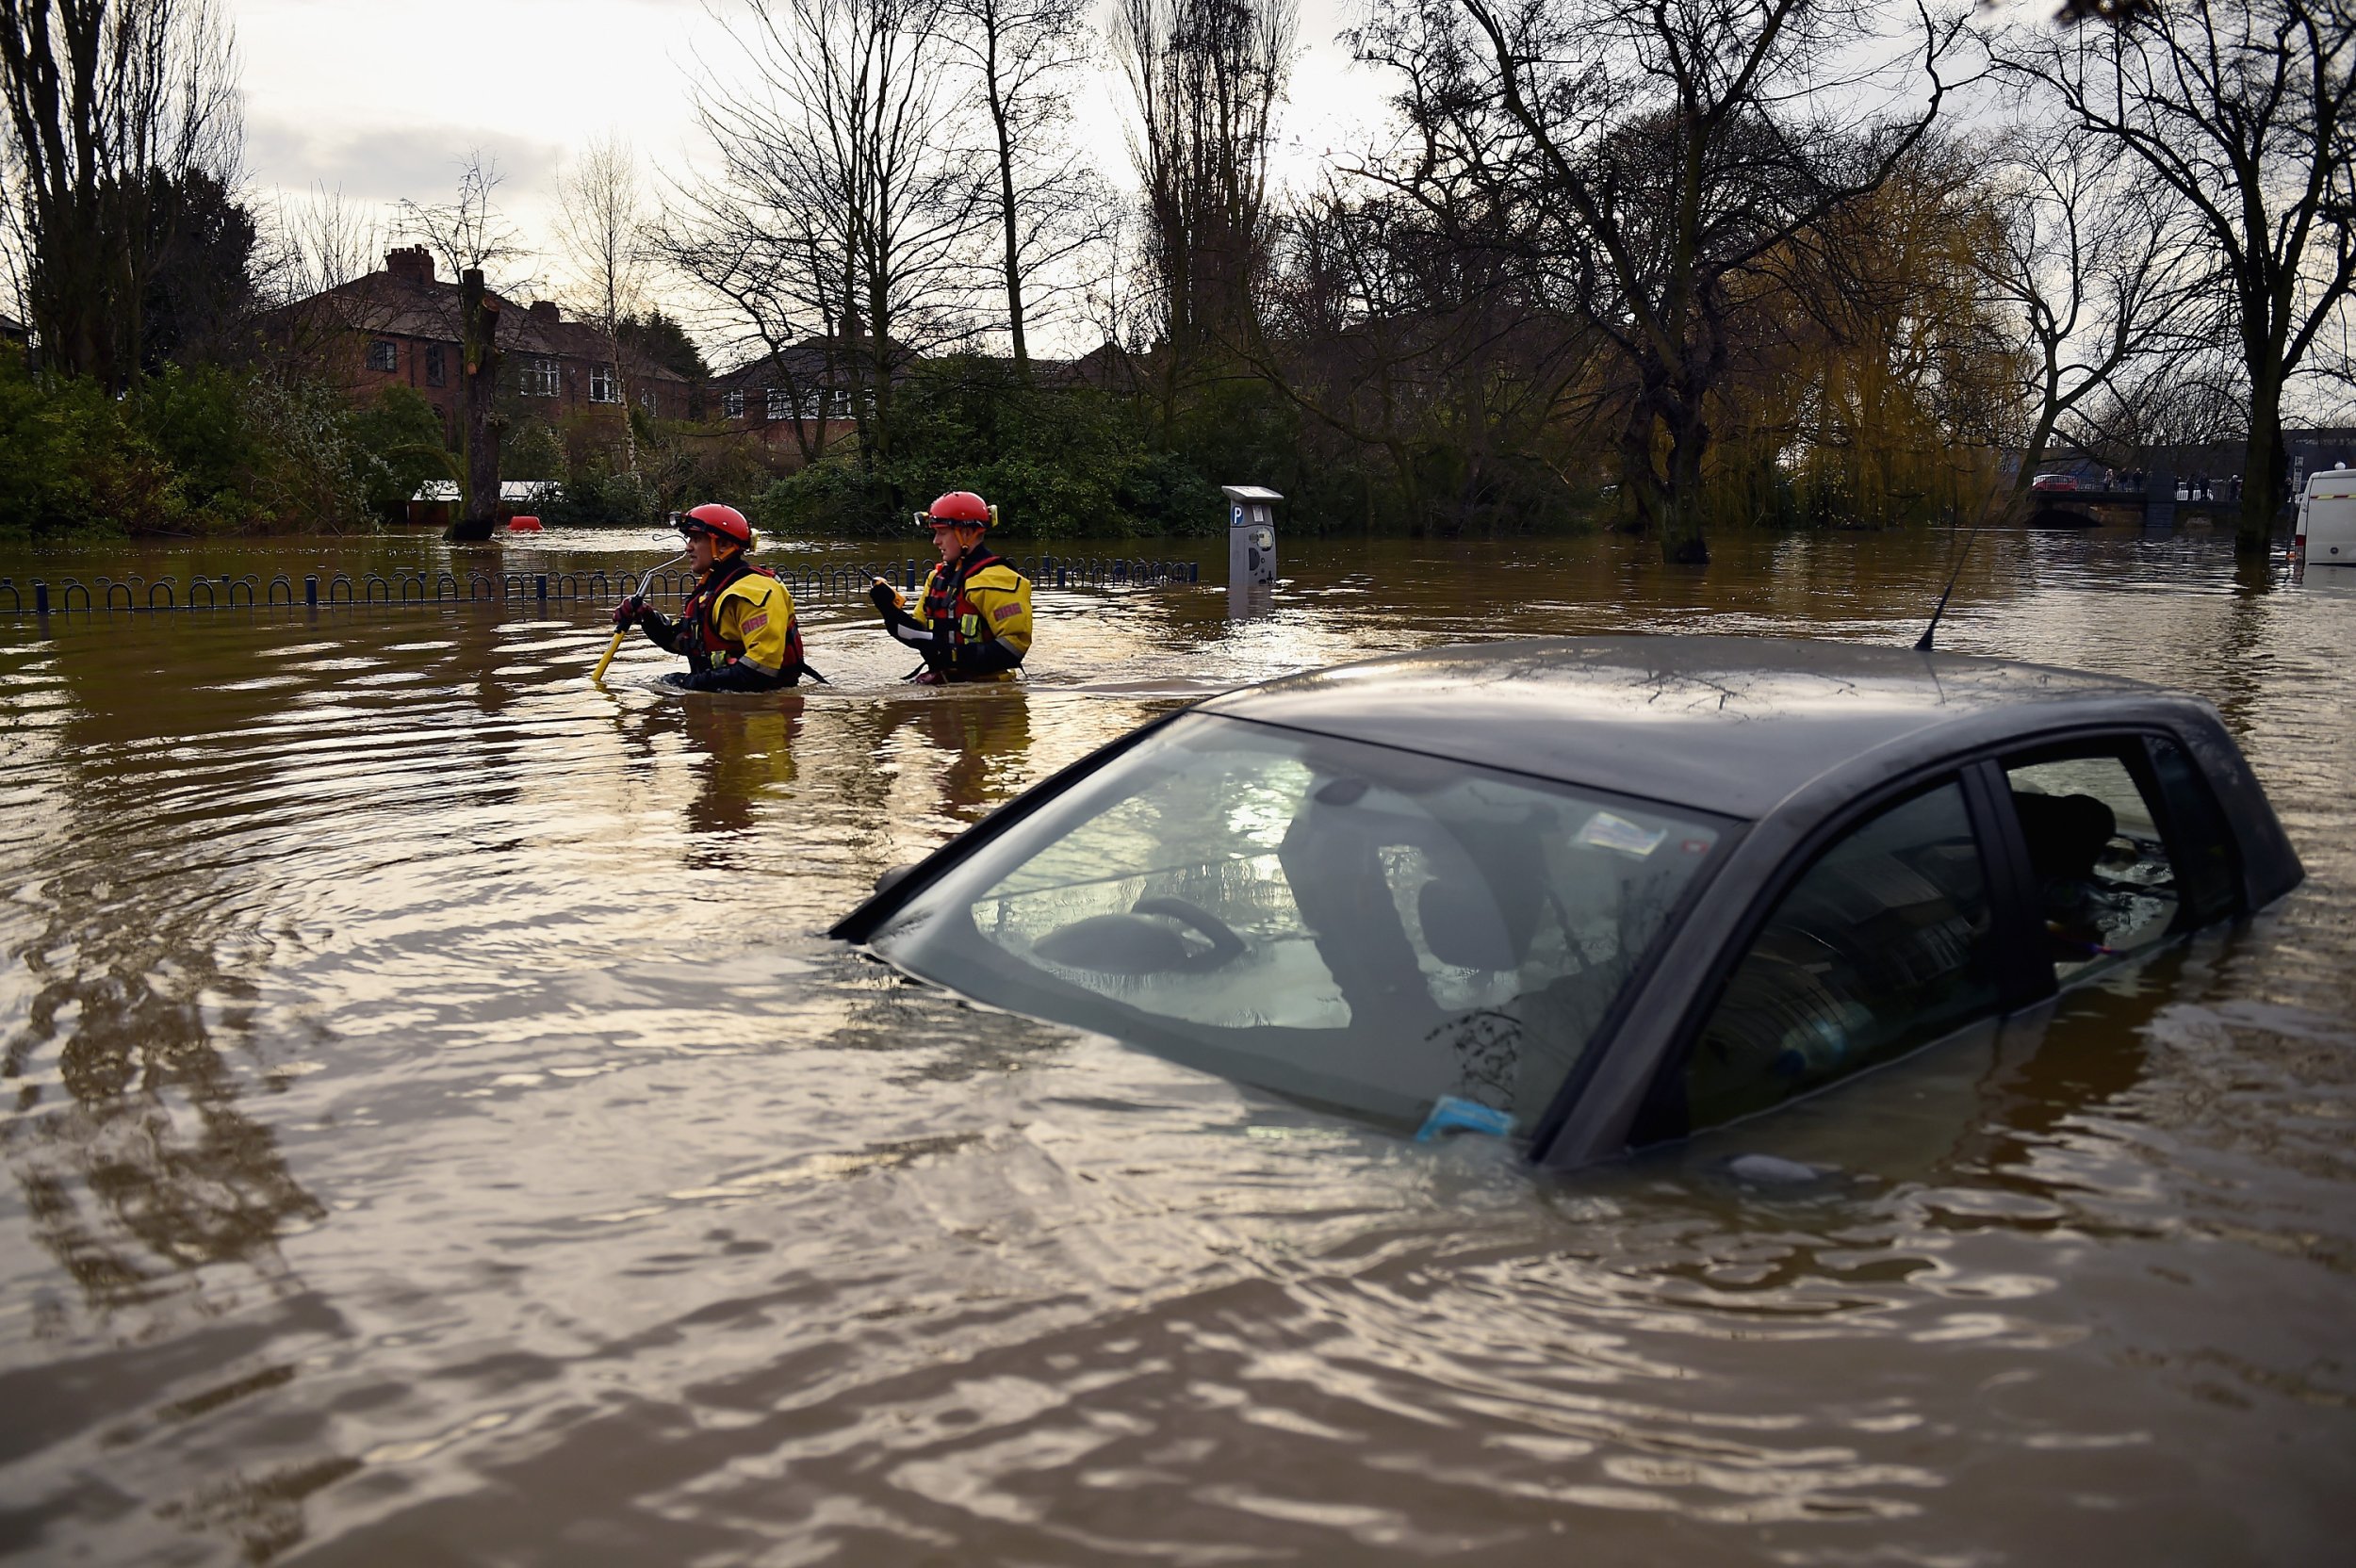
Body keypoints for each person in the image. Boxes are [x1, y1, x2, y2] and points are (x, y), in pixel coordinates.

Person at [613, 503, 810, 691]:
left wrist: (687, 683)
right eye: (689, 539)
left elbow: (760, 670)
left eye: (696, 539)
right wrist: (646, 618)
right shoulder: (713, 590)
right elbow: (684, 641)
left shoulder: (754, 592)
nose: (688, 547)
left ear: (723, 545)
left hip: (763, 715)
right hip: (725, 709)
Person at [867, 490, 1034, 683]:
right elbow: (918, 635)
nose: (936, 541)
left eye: (942, 533)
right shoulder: (937, 577)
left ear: (966, 533)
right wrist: (888, 610)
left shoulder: (997, 579)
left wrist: (953, 655)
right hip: (947, 682)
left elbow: (1013, 649)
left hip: (988, 691)